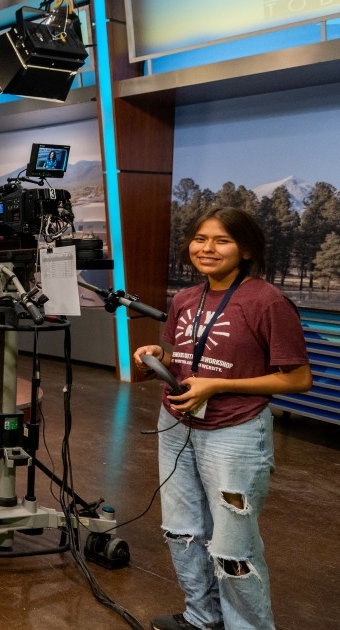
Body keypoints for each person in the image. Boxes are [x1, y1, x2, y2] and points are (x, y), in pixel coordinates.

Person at [132, 206, 310, 630]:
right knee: (181, 529)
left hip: (236, 433)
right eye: (199, 238)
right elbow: (186, 356)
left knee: (233, 546)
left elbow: (299, 378)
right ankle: (201, 616)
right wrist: (159, 356)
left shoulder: (266, 301)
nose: (207, 249)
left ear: (245, 249)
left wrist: (218, 386)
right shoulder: (185, 299)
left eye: (221, 240)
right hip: (177, 426)